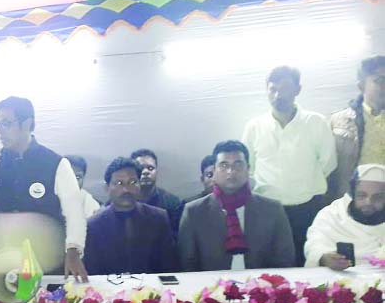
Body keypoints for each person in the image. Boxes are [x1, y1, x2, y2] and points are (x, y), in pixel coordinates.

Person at [0, 96, 88, 281]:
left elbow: (74, 212)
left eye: (6, 124)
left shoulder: (55, 163)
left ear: (27, 123)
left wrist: (73, 249)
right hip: (3, 260)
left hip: (45, 261)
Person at [242, 65, 337, 266]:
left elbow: (328, 163)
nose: (278, 95)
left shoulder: (316, 122)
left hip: (308, 207)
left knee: (307, 262)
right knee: (270, 265)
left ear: (298, 90)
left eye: (284, 88)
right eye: (273, 89)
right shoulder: (254, 126)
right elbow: (247, 168)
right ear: (266, 89)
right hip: (267, 209)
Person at [178, 140, 295, 271]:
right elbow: (187, 265)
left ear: (248, 169)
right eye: (224, 165)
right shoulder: (194, 212)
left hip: (261, 288)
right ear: (214, 170)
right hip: (211, 288)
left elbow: (285, 261)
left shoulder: (273, 210)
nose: (231, 171)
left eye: (238, 164)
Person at [84, 158, 177, 275]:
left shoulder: (159, 218)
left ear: (139, 185)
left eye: (132, 182)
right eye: (119, 183)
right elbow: (92, 272)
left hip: (152, 290)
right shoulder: (93, 225)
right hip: (109, 290)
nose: (126, 189)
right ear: (107, 188)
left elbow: (169, 267)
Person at [305, 164, 385, 269]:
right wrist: (324, 257)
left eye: (378, 197)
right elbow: (315, 244)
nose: (368, 202)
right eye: (361, 195)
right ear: (352, 194)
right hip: (338, 278)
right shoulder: (333, 215)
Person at [329, 55, 385, 199]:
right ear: (361, 86)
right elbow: (327, 169)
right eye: (380, 80)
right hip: (353, 199)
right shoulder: (339, 121)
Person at [131, 149, 183, 234]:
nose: (145, 172)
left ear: (157, 171)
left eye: (150, 168)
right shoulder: (123, 202)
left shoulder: (172, 203)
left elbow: (177, 239)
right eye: (140, 168)